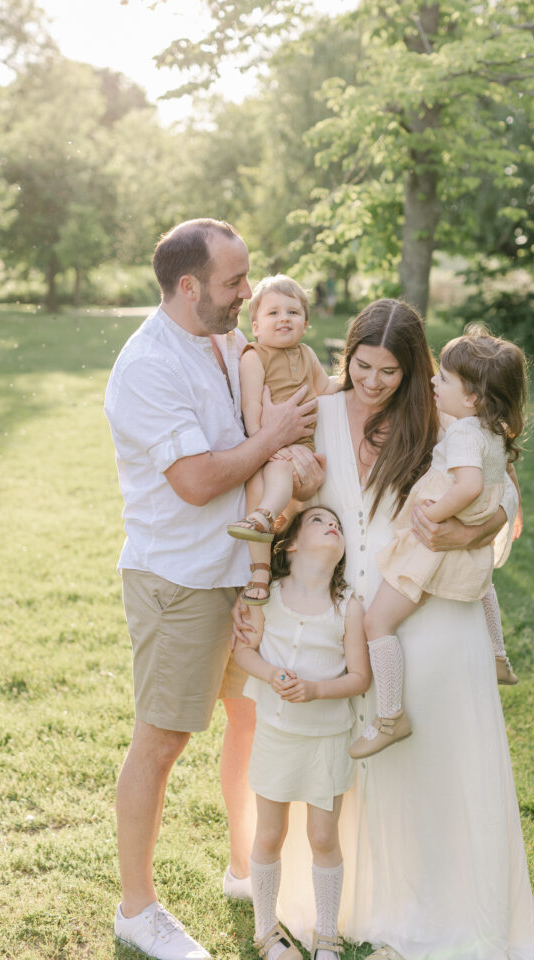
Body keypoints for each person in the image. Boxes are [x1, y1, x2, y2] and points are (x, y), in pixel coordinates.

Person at [238, 299, 534, 960]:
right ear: (345, 356)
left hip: (424, 604)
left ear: (416, 369)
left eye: (389, 371)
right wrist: (263, 576)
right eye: (361, 366)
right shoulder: (313, 414)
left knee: (424, 763)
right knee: (336, 769)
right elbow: (272, 495)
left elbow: (503, 488)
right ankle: (342, 907)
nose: (372, 382)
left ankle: (426, 917)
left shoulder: (439, 421)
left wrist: (476, 526)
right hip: (336, 618)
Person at [104, 218, 323, 960]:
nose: (248, 293)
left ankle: (242, 868)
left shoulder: (228, 339)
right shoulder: (147, 367)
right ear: (189, 286)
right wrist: (276, 437)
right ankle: (138, 911)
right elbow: (197, 481)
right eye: (235, 281)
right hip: (180, 578)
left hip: (242, 572)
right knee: (162, 741)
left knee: (248, 721)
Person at [350, 325, 528, 758]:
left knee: (377, 624)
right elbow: (501, 480)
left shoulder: (465, 432)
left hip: (429, 547)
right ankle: (498, 653)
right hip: (463, 547)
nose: (433, 380)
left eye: (444, 379)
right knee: (482, 582)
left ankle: (390, 715)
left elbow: (467, 486)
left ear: (472, 398)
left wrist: (431, 514)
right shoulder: (492, 429)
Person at [233, 506, 370, 960]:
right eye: (317, 520)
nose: (332, 525)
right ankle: (266, 930)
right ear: (290, 545)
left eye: (337, 524)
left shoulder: (348, 606)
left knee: (323, 838)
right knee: (269, 833)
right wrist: (273, 675)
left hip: (329, 740)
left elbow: (359, 678)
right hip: (277, 736)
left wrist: (315, 690)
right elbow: (244, 653)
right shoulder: (266, 595)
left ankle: (327, 934)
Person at [227, 275, 341, 604]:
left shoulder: (306, 353)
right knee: (264, 479)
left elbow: (327, 389)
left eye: (292, 312)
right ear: (257, 325)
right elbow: (251, 405)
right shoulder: (254, 355)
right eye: (273, 313)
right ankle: (260, 559)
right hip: (265, 443)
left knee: (276, 479)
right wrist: (268, 443)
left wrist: (353, 382)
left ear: (305, 324)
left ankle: (264, 533)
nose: (283, 319)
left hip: (301, 448)